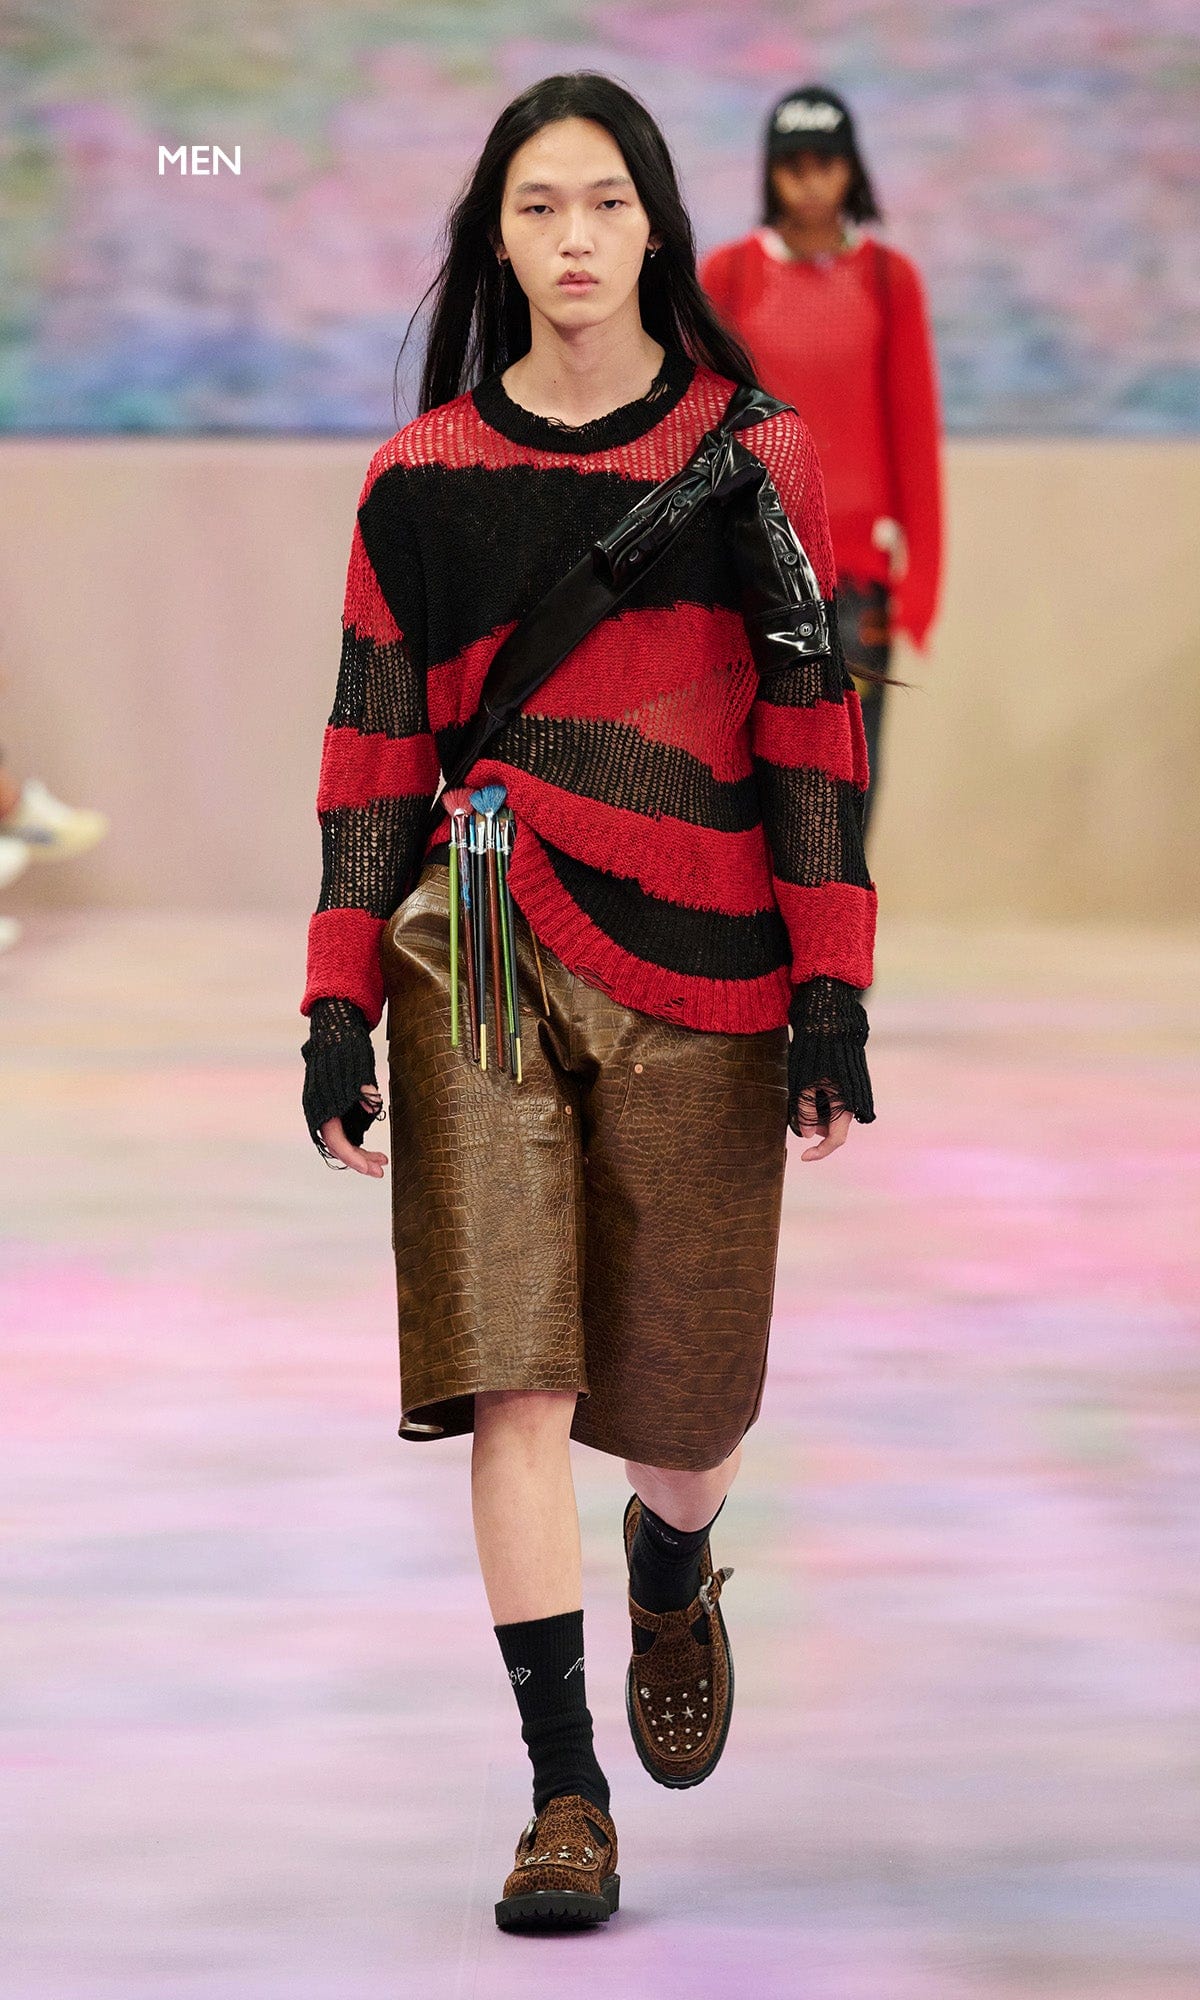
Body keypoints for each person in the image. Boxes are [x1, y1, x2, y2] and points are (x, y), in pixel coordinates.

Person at [299, 71, 878, 1931]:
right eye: (537, 207)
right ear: (496, 238)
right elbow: (372, 752)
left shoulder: (753, 457)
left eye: (605, 204)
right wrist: (333, 996)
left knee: (682, 1419)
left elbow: (809, 731)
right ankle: (566, 1795)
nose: (572, 240)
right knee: (516, 1374)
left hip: (708, 947)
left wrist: (834, 989)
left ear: (655, 227)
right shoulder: (418, 481)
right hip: (475, 917)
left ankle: (672, 1561)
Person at [699, 84, 942, 837]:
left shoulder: (889, 281)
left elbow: (914, 438)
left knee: (850, 786)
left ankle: (839, 920)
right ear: (770, 172)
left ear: (852, 170)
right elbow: (704, 431)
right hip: (751, 567)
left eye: (826, 164)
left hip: (857, 582)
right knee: (751, 780)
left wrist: (922, 582)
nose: (810, 183)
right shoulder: (728, 277)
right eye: (793, 165)